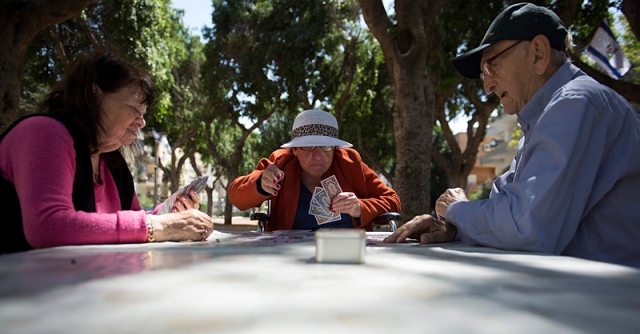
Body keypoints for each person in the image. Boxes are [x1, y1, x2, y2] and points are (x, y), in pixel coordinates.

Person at [384, 2, 640, 268]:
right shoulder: (543, 118)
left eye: (491, 66)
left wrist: (457, 210)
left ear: (538, 53)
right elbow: (509, 211)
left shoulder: (576, 101)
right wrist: (452, 226)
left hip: (615, 301)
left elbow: (527, 226)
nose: (487, 85)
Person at [0, 48, 213, 254]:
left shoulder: (112, 162)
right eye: (134, 109)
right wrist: (158, 226)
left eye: (143, 113)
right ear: (94, 95)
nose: (142, 122)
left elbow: (128, 223)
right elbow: (48, 226)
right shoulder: (44, 132)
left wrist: (169, 214)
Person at [229, 109, 401, 231]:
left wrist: (360, 207)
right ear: (294, 150)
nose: (318, 156)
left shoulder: (350, 162)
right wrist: (260, 184)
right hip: (290, 256)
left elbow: (393, 200)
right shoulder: (281, 162)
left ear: (334, 148)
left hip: (347, 253)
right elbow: (236, 196)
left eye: (326, 147)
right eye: (308, 146)